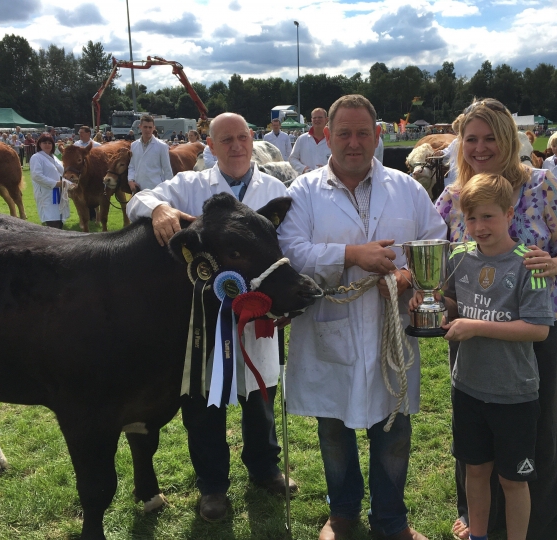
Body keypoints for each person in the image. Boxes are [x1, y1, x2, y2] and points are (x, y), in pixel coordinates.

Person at [278, 94, 445, 540]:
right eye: (344, 133)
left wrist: (411, 275)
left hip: (390, 325)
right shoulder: (304, 192)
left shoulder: (406, 188)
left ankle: (392, 521)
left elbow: (434, 237)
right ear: (327, 136)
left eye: (363, 133)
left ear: (378, 135)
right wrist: (353, 255)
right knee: (334, 428)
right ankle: (343, 513)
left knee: (394, 429)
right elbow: (291, 251)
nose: (354, 143)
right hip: (331, 325)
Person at [125, 112, 296, 522]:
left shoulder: (275, 189)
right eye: (226, 140)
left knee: (261, 397)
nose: (236, 146)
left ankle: (264, 466)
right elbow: (135, 200)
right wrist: (161, 208)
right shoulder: (190, 186)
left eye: (242, 137)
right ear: (210, 145)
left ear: (252, 140)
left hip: (260, 318)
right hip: (203, 323)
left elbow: (291, 250)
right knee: (204, 403)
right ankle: (213, 486)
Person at [435, 98, 557, 540]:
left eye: (490, 139)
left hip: (534, 333)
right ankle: (477, 520)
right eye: (471, 139)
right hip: (470, 333)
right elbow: (431, 249)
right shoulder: (453, 195)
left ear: (509, 140)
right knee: (475, 433)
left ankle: (547, 525)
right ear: (461, 143)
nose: (480, 148)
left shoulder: (541, 185)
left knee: (538, 430)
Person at [414, 172, 553, 540]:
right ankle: (478, 535)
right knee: (474, 470)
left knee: (512, 479)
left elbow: (539, 328)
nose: (478, 226)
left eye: (488, 216)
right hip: (469, 387)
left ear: (510, 215)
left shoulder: (532, 263)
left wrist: (474, 326)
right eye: (470, 218)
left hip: (514, 393)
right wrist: (430, 301)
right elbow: (453, 303)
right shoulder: (458, 256)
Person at [29, 133, 70, 229]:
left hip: (58, 192)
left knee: (59, 218)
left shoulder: (54, 157)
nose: (47, 145)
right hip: (47, 193)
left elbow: (63, 172)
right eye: (44, 143)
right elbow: (37, 176)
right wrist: (56, 184)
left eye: (49, 143)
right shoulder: (36, 157)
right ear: (39, 144)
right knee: (52, 220)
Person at [127, 115, 174, 193]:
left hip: (156, 189)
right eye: (145, 127)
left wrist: (168, 190)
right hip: (138, 188)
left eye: (150, 127)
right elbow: (132, 166)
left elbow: (167, 170)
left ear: (154, 128)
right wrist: (130, 180)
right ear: (140, 127)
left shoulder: (162, 146)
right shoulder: (134, 145)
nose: (148, 130)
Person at [288, 107, 331, 174]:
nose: (317, 120)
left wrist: (328, 168)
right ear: (311, 120)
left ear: (326, 119)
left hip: (327, 180)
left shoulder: (333, 139)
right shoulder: (302, 139)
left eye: (320, 117)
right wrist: (303, 169)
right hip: (306, 180)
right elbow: (292, 158)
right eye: (314, 118)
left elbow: (340, 161)